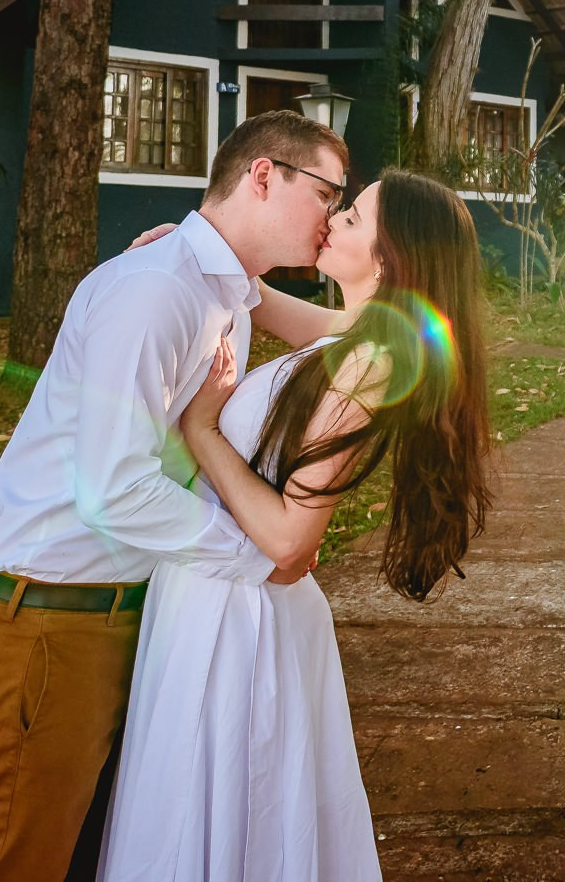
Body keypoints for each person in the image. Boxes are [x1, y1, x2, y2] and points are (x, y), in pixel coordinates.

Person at [0, 111, 350, 882]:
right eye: (327, 192)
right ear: (263, 174)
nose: (332, 216)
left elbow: (364, 328)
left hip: (124, 619)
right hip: (46, 625)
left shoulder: (226, 291)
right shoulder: (159, 290)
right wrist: (259, 554)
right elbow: (114, 488)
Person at [98, 169, 494, 882]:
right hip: (215, 594)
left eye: (354, 217)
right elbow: (260, 297)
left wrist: (203, 430)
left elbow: (289, 539)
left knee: (219, 822)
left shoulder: (374, 364)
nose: (334, 220)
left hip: (241, 617)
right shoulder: (361, 336)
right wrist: (192, 253)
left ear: (390, 256)